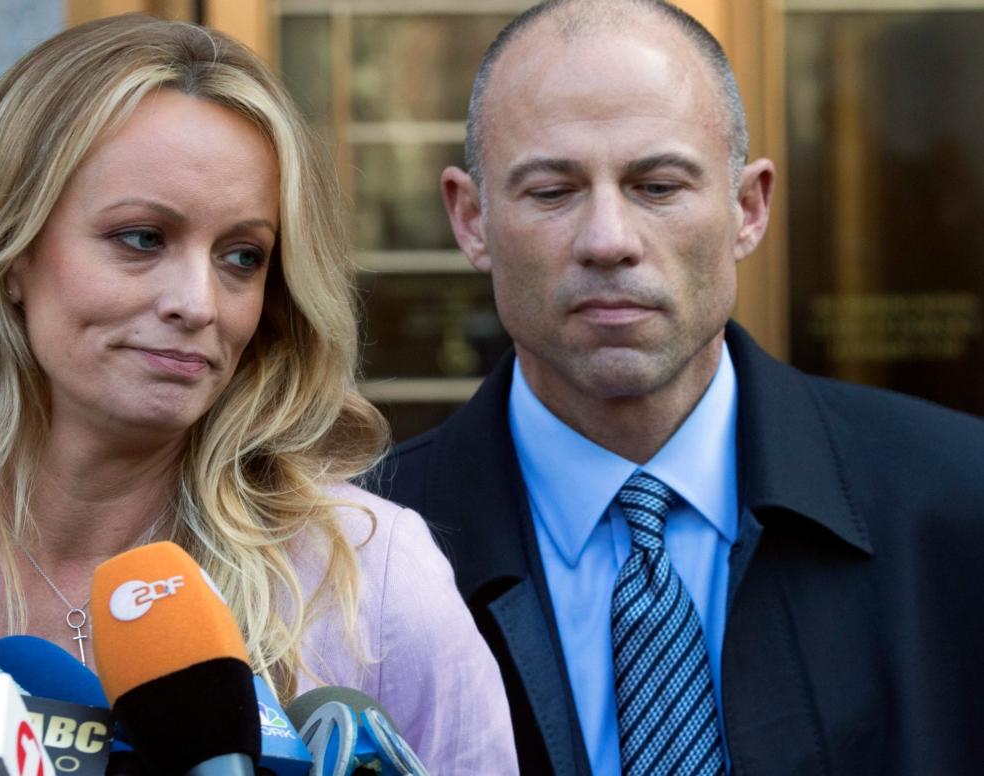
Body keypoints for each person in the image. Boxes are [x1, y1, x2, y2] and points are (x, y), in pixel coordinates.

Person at [0, 15, 519, 772]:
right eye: (142, 239)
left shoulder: (371, 579)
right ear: (11, 249)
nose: (198, 302)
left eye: (242, 257)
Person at [373, 1, 984, 774]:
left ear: (748, 208)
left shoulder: (957, 507)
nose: (608, 241)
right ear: (471, 220)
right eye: (553, 191)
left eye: (657, 186)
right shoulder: (361, 556)